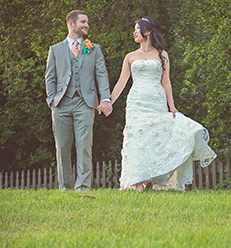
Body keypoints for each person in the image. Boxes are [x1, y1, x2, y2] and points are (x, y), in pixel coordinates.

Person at [108, 17, 215, 191]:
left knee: (155, 137)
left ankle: (152, 177)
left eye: (137, 28)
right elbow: (121, 82)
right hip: (136, 101)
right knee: (135, 138)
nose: (134, 32)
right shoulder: (130, 56)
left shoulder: (162, 54)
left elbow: (166, 82)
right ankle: (137, 183)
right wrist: (109, 102)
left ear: (148, 31)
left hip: (156, 100)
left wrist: (171, 106)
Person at [45, 10, 113, 190]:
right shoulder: (55, 49)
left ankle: (83, 186)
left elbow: (101, 74)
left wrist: (105, 98)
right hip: (61, 104)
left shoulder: (94, 48)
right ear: (70, 24)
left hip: (86, 102)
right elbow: (50, 77)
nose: (86, 25)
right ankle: (65, 187)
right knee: (62, 147)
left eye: (87, 22)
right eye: (83, 22)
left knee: (84, 146)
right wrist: (51, 99)